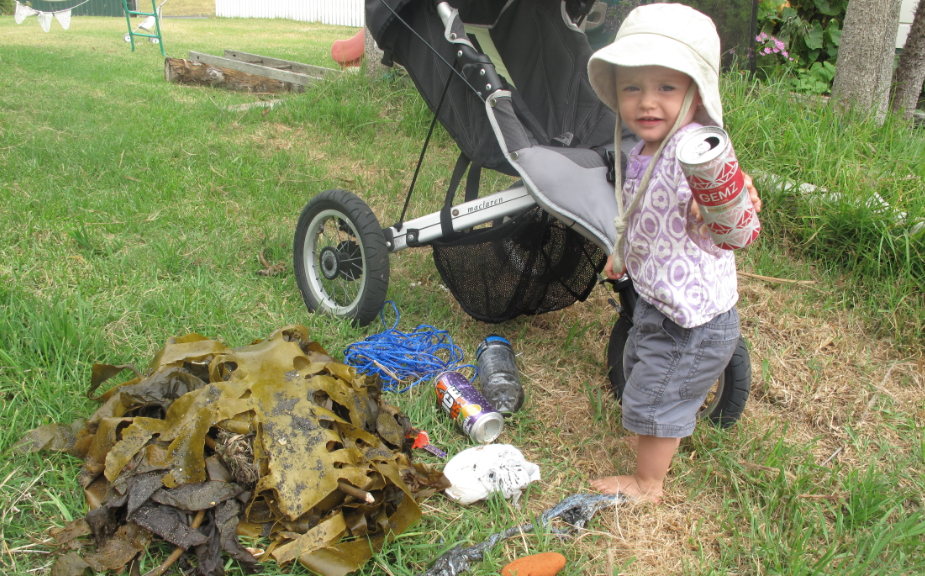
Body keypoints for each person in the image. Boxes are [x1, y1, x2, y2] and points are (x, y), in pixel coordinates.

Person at [586, 3, 761, 502]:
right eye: (632, 88)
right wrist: (622, 253)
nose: (647, 102)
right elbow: (638, 214)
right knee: (644, 369)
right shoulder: (639, 150)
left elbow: (720, 197)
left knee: (656, 396)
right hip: (660, 303)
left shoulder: (691, 150)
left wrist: (731, 198)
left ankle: (648, 484)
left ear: (695, 92)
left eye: (666, 87)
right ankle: (656, 438)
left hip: (692, 321)